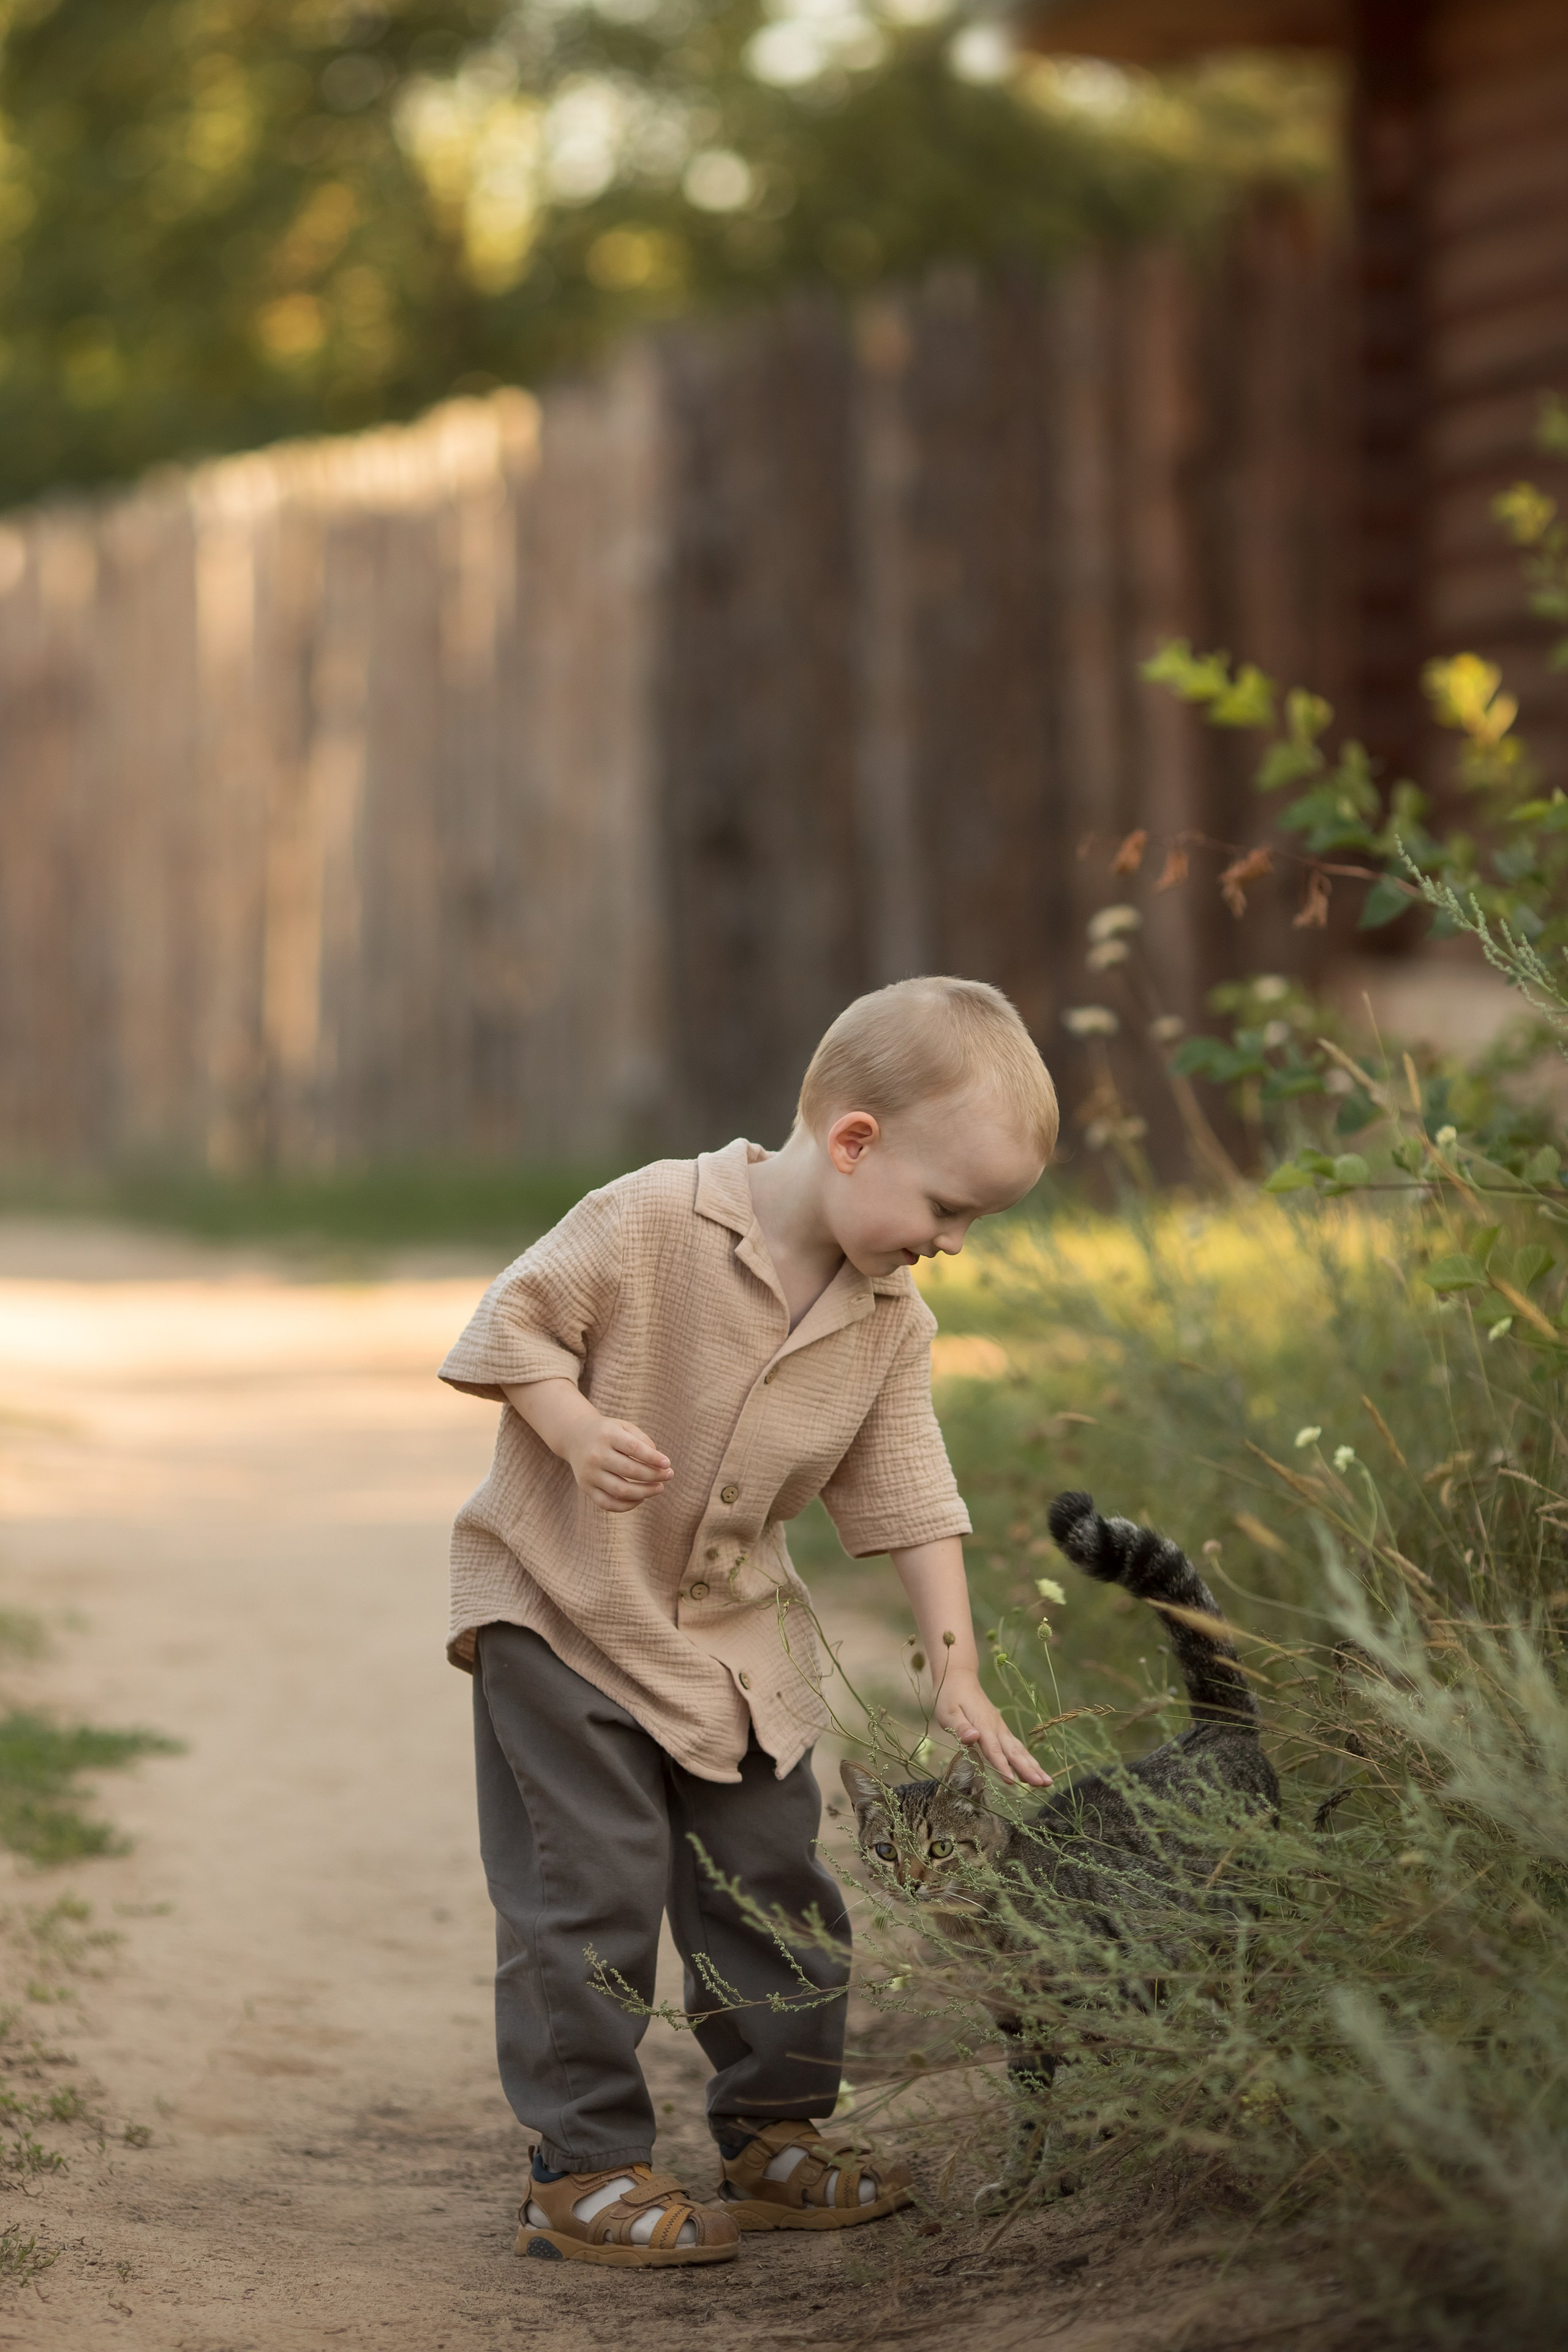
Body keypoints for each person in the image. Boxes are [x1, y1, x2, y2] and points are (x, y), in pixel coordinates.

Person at [440, 975, 1058, 2268]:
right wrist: (573, 1427)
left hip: (732, 1647)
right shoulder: (651, 1220)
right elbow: (514, 1320)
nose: (952, 1240)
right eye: (948, 1207)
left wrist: (956, 1669)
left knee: (773, 1887)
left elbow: (906, 1487)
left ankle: (773, 2135)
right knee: (588, 1893)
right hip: (562, 1612)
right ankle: (583, 2165)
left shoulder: (888, 1319)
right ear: (851, 1141)